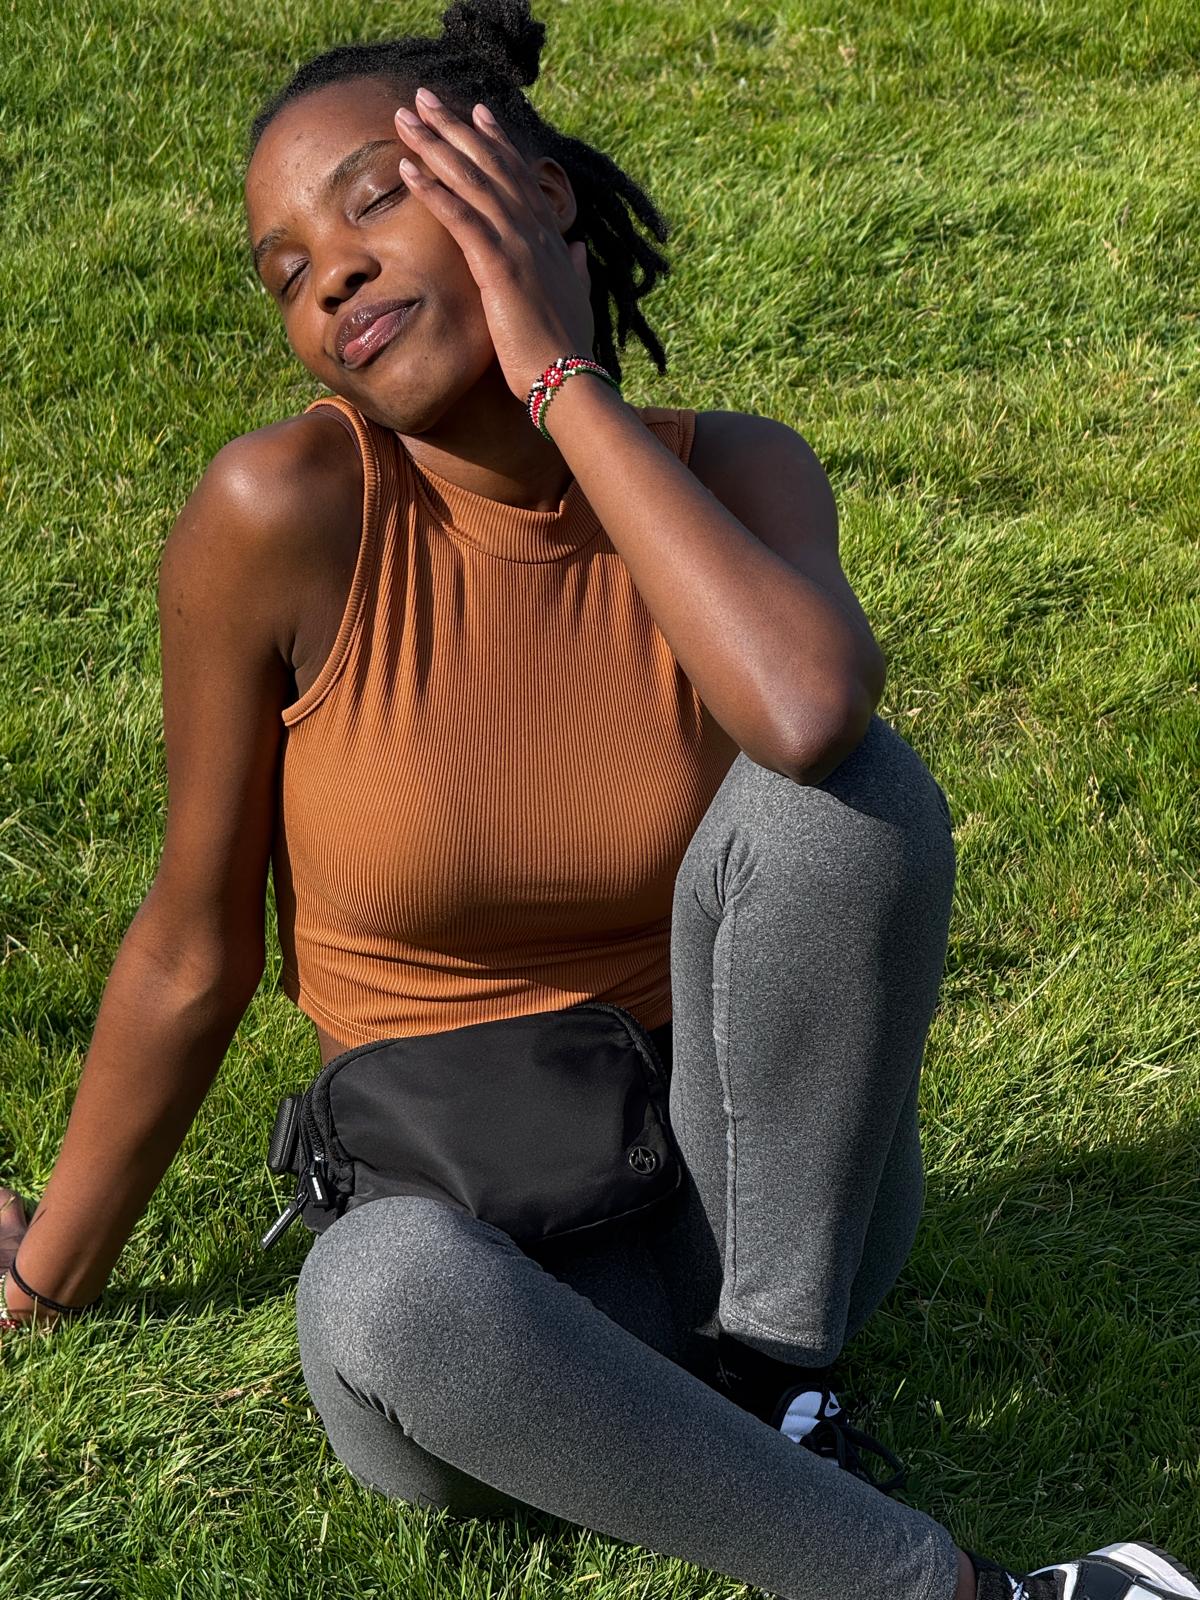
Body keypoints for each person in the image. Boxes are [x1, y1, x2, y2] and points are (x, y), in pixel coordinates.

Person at [2, 6, 1195, 1599]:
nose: (329, 274)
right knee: (377, 1292)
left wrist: (560, 379)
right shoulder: (281, 515)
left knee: (850, 794)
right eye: (285, 270)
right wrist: (44, 1269)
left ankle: (777, 1384)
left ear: (536, 193)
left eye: (371, 199)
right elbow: (192, 941)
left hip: (766, 1218)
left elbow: (808, 709)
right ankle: (942, 1586)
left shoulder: (741, 476)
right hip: (488, 1279)